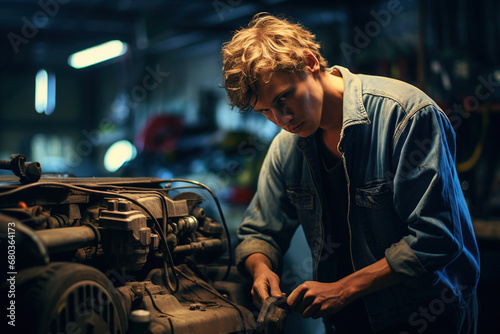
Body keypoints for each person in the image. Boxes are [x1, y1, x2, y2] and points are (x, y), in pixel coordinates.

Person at [221, 13, 480, 333]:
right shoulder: (286, 149)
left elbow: (437, 238)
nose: (282, 119)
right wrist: (261, 269)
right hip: (345, 322)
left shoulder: (406, 115)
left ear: (310, 62)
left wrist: (343, 288)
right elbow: (259, 232)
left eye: (284, 96)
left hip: (426, 316)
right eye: (265, 111)